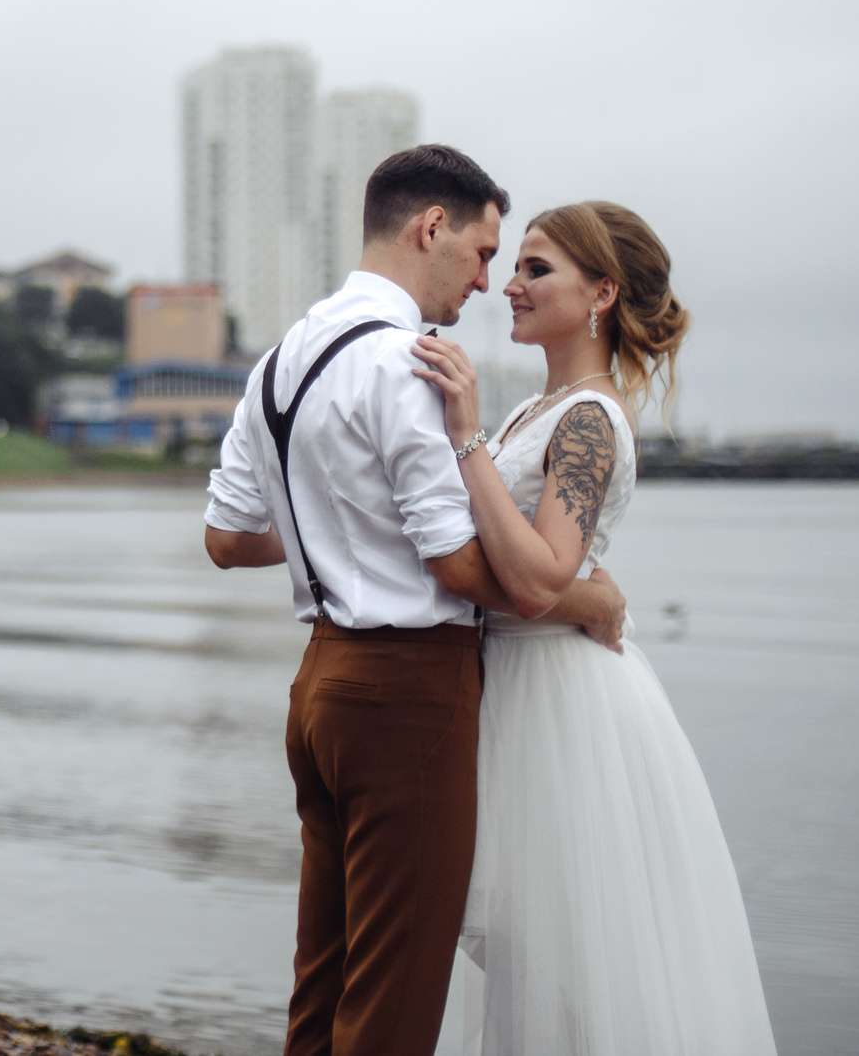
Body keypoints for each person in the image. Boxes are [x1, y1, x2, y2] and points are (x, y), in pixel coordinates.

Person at [204, 146, 627, 1056]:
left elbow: (228, 539)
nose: (487, 281)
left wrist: (335, 528)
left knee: (324, 980)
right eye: (482, 253)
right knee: (394, 999)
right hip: (407, 694)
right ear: (429, 227)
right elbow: (460, 569)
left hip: (318, 688)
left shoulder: (278, 359)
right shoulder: (407, 362)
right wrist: (585, 600)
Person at [412, 202, 777, 1055]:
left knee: (569, 967)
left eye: (536, 268)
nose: (510, 284)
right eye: (516, 267)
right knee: (538, 965)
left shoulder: (587, 419)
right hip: (515, 690)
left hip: (560, 708)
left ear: (602, 291)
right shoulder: (540, 411)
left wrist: (463, 436)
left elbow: (539, 577)